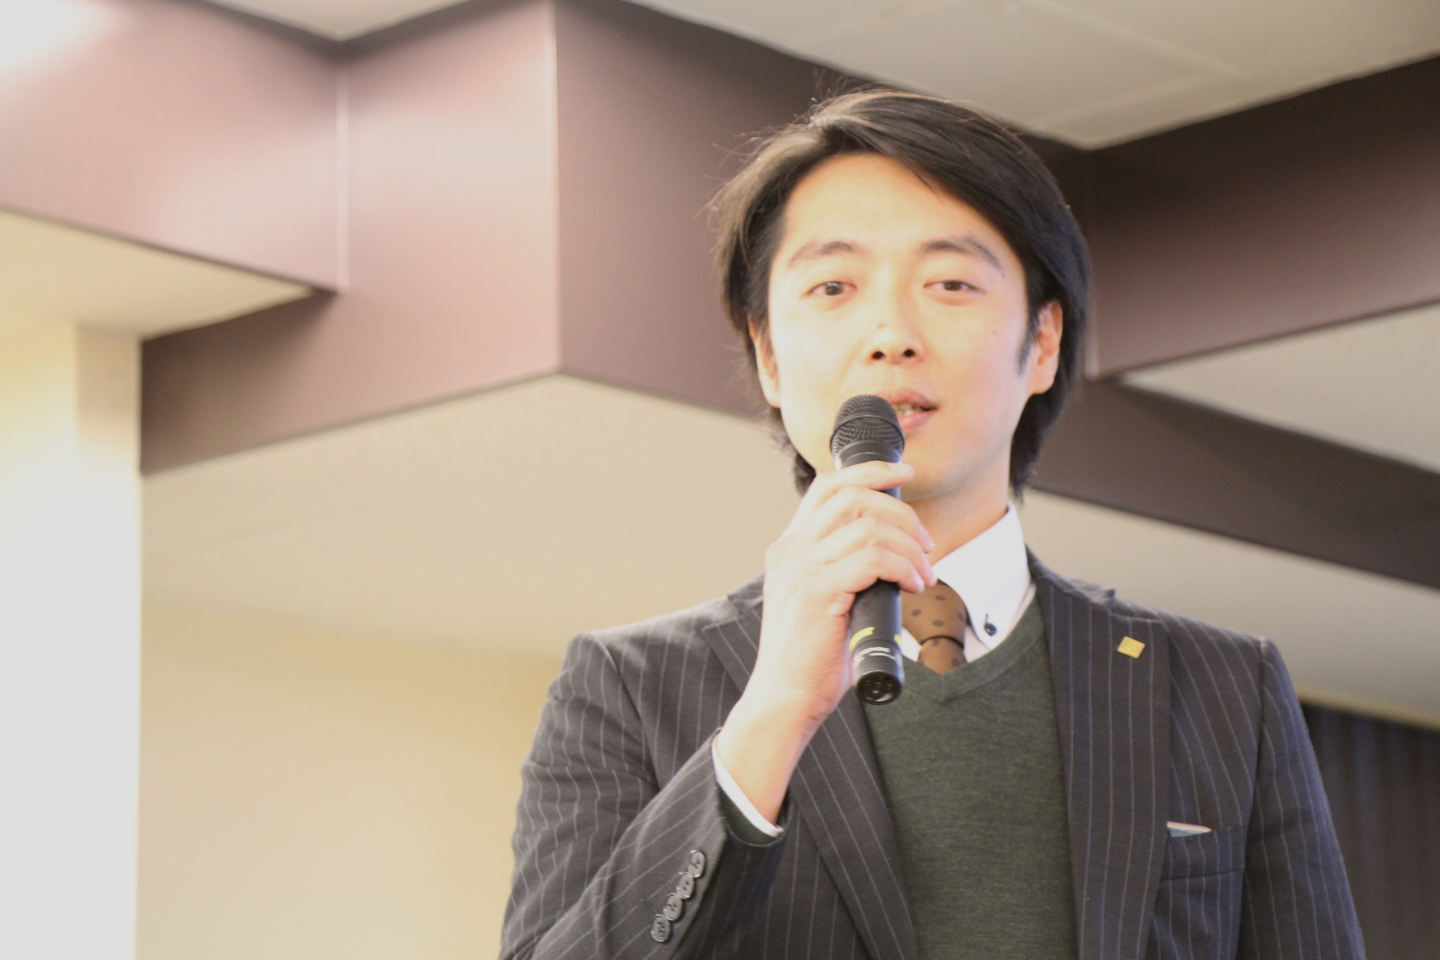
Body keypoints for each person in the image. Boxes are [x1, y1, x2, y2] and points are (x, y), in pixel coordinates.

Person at [500, 90, 1364, 960]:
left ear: (1044, 342)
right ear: (768, 355)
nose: (891, 334)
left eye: (950, 284)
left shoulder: (1224, 687)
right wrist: (772, 716)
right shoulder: (629, 686)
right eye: (833, 287)